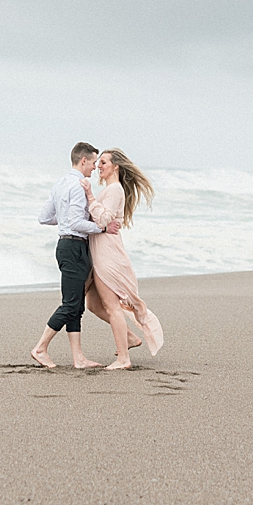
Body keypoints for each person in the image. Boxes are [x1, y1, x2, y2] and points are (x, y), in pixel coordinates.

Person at [31, 142, 120, 369]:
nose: (94, 168)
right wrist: (101, 228)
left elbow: (44, 217)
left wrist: (65, 221)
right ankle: (40, 348)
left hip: (64, 246)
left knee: (76, 305)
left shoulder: (60, 183)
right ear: (83, 161)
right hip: (74, 248)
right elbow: (76, 222)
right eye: (93, 162)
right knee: (71, 304)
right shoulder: (80, 185)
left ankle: (78, 357)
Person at [81, 148, 163, 370]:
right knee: (94, 304)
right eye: (99, 163)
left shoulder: (115, 190)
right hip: (101, 250)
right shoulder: (110, 190)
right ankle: (129, 337)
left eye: (104, 162)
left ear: (115, 166)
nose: (99, 166)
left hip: (107, 253)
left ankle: (123, 358)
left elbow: (104, 219)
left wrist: (89, 195)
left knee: (111, 305)